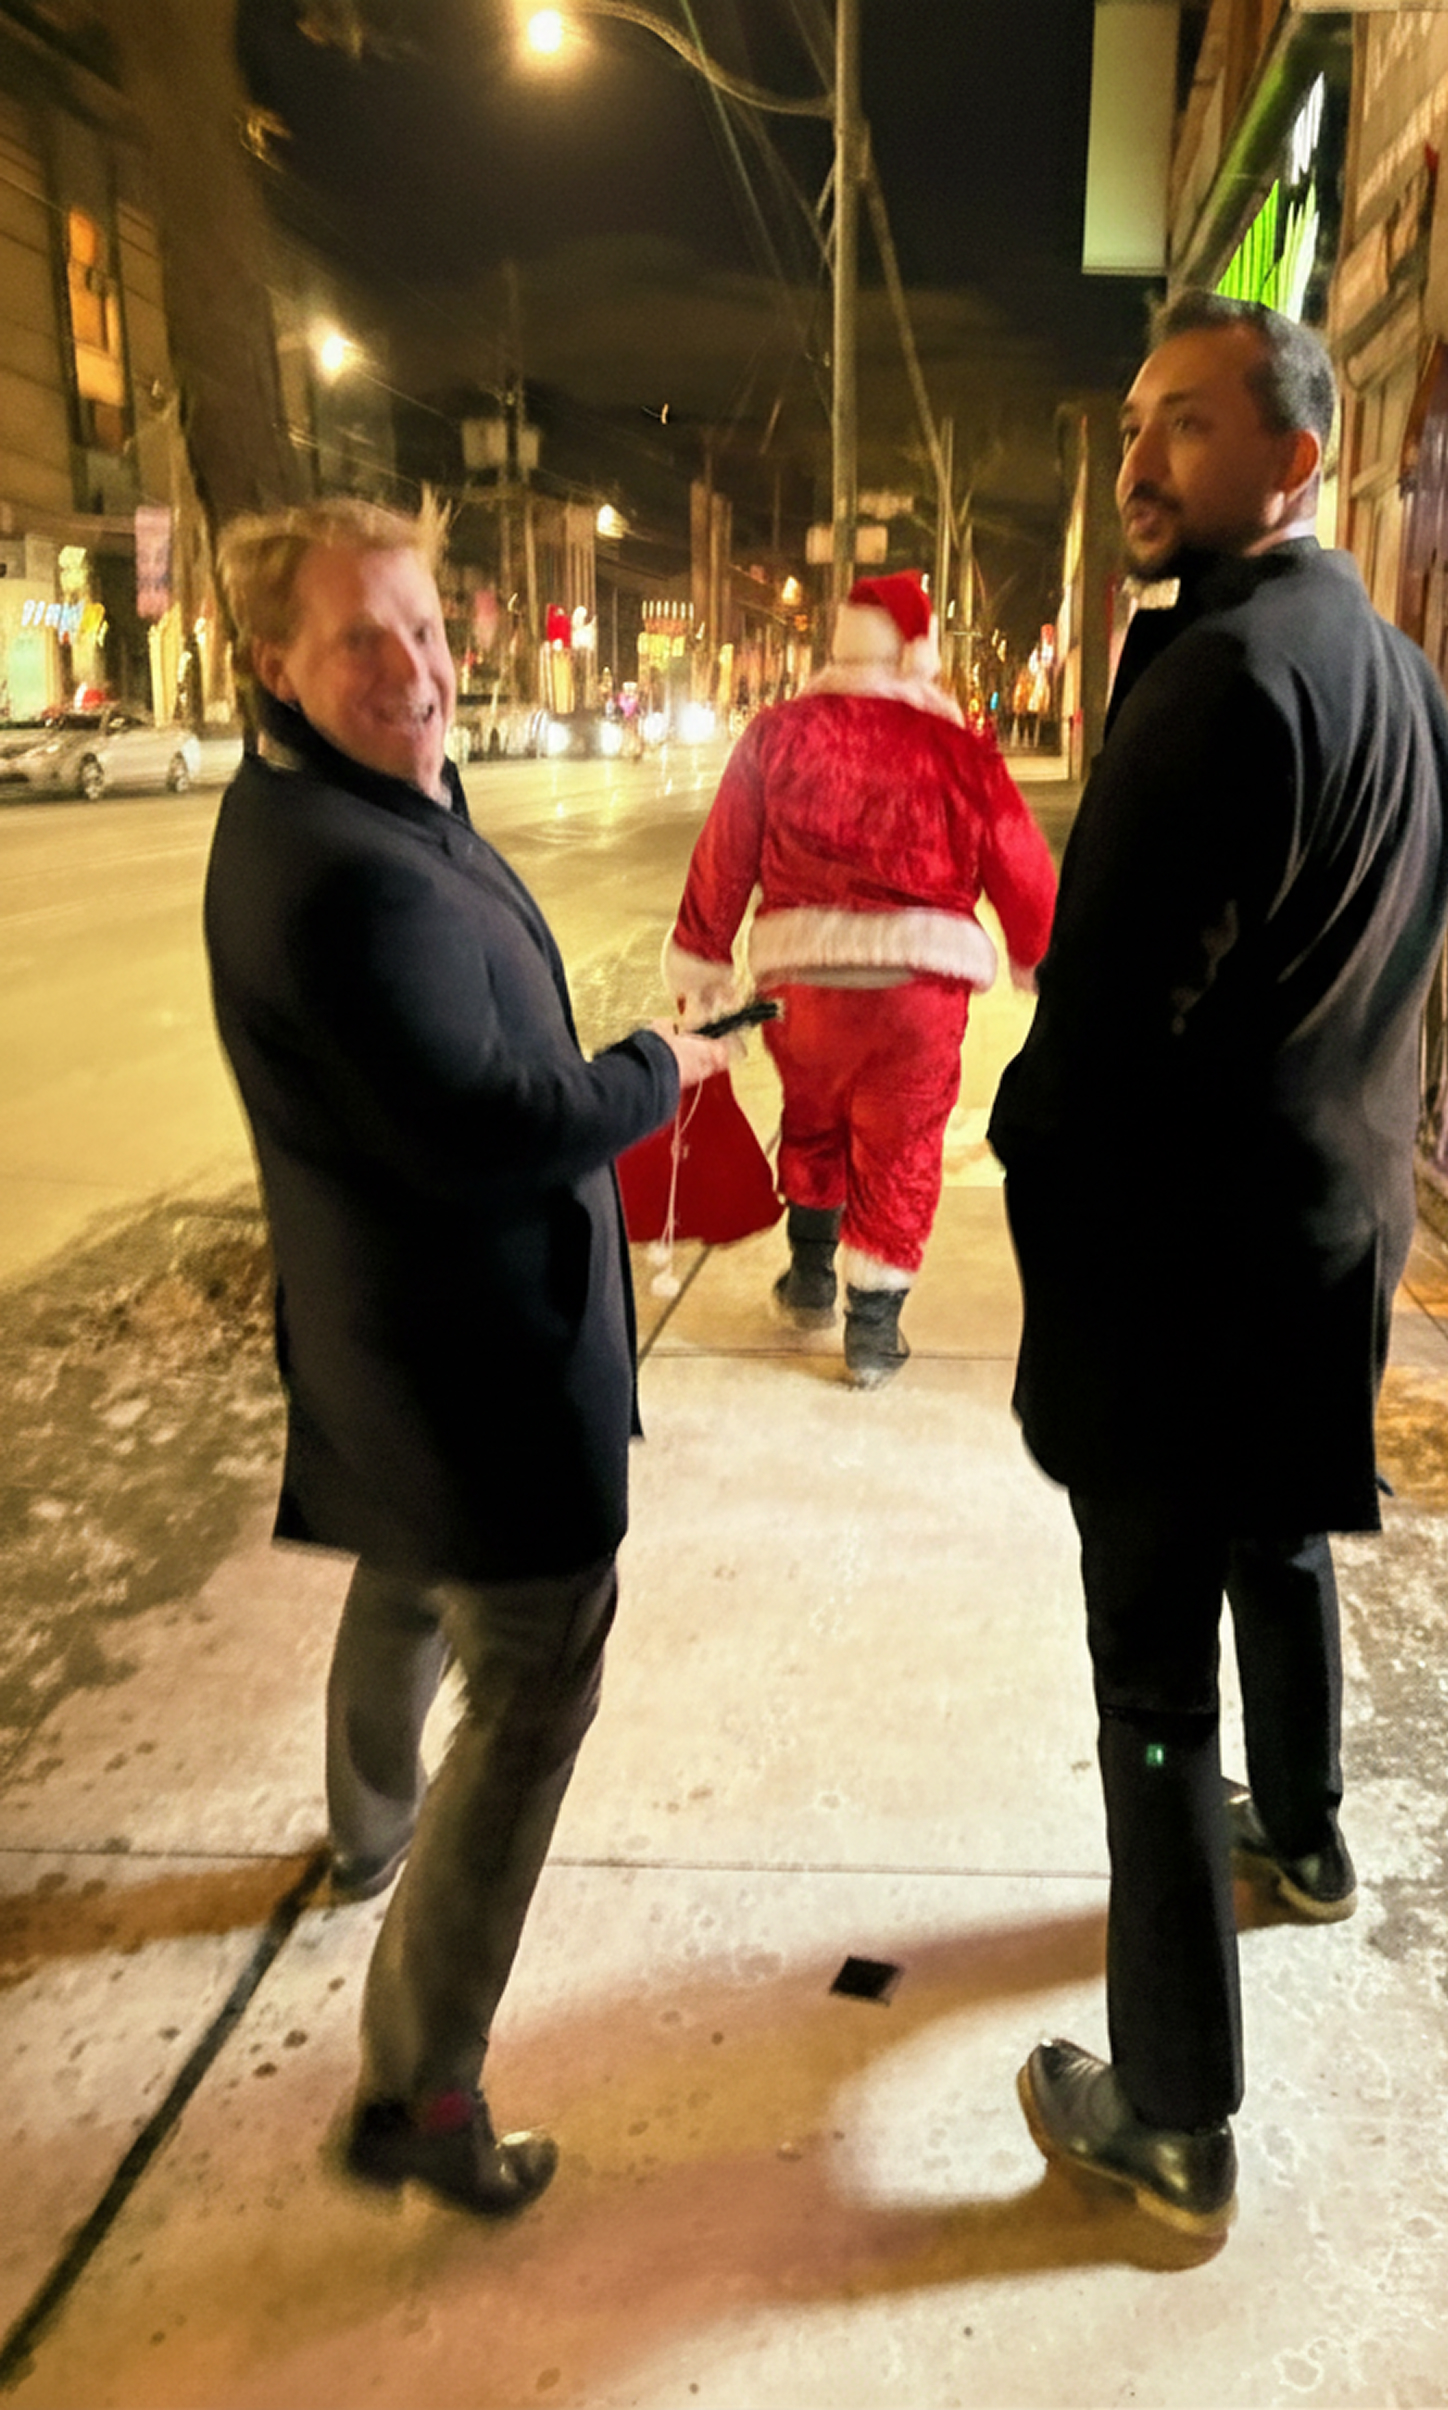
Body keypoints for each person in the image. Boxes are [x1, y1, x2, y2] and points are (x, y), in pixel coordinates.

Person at [988, 295, 1448, 2244]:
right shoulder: (1391, 671)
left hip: (1187, 1281)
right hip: (1326, 1238)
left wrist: (1026, 1165)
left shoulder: (1218, 687)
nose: (1140, 457)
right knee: (1281, 1544)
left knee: (1148, 1691)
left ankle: (1171, 2115)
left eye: (1185, 425)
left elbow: (1096, 1039)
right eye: (1134, 421)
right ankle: (1314, 1833)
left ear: (1293, 459)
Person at [204, 497, 729, 2217]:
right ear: (271, 660)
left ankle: (365, 1832)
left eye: (427, 629)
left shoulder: (354, 800)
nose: (414, 669)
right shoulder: (346, 877)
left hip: (409, 1361)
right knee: (527, 1695)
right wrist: (663, 1068)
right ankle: (418, 2093)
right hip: (475, 1376)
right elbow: (498, 1128)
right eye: (363, 638)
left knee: (406, 1581)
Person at [664, 573, 1057, 1385]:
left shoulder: (777, 734)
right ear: (919, 652)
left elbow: (725, 851)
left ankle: (809, 1277)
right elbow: (1017, 861)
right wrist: (1041, 953)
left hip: (800, 987)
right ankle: (872, 1329)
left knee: (812, 1120)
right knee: (901, 1147)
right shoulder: (958, 750)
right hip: (919, 994)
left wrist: (704, 959)